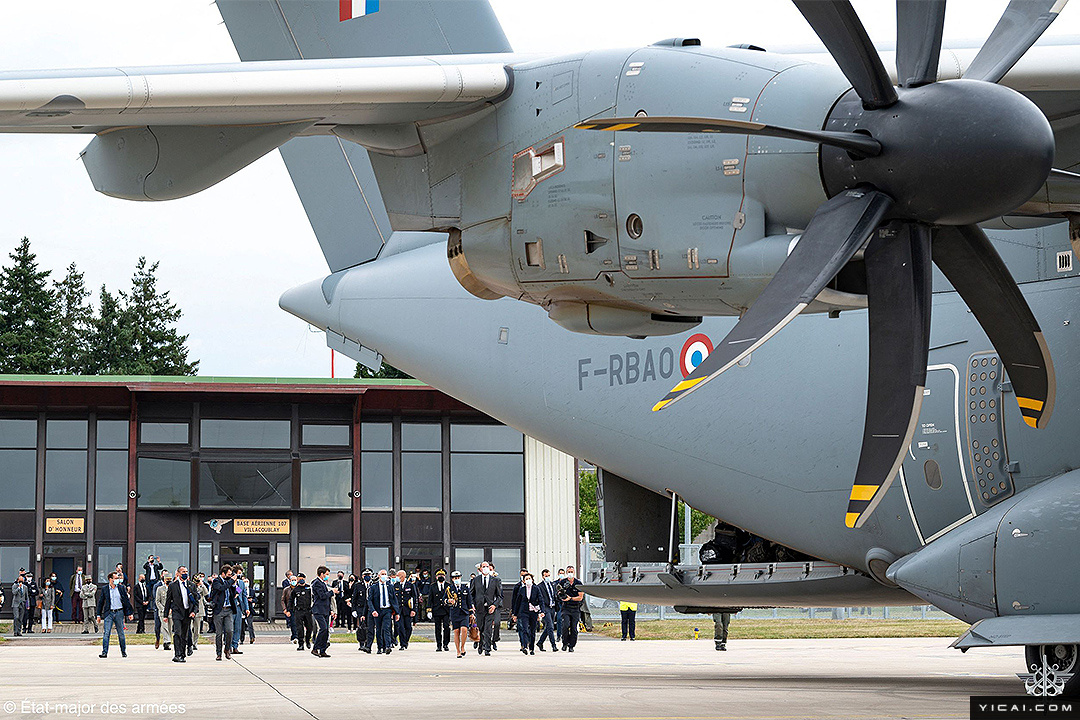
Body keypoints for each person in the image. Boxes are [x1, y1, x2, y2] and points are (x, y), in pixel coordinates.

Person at [163, 566, 198, 663]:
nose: (185, 573)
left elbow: (196, 601)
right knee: (177, 633)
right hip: (177, 612)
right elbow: (168, 601)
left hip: (187, 613)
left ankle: (182, 654)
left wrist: (194, 612)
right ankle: (177, 654)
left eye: (186, 571)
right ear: (178, 573)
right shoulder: (173, 586)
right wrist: (165, 615)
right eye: (183, 572)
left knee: (184, 634)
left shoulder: (191, 585)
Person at [95, 571, 133, 658]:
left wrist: (129, 613)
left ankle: (123, 651)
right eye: (115, 578)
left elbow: (126, 601)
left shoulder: (121, 588)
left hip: (119, 612)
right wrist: (98, 615)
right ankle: (104, 652)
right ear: (110, 579)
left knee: (121, 634)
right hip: (109, 613)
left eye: (118, 578)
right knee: (106, 633)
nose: (117, 580)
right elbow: (101, 602)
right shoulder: (105, 589)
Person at [469, 561, 501, 656]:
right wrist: (472, 604)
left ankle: (487, 648)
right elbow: (471, 594)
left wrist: (494, 605)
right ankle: (480, 644)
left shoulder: (495, 580)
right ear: (480, 568)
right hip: (479, 608)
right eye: (484, 566)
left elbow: (500, 596)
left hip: (490, 608)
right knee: (481, 627)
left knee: (488, 629)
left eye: (487, 566)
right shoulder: (476, 580)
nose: (486, 568)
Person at [210, 565, 238, 661]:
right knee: (219, 633)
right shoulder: (217, 581)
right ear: (223, 573)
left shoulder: (230, 582)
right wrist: (231, 581)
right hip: (219, 610)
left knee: (230, 630)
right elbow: (222, 588)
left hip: (229, 610)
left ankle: (227, 649)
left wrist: (234, 585)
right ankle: (218, 653)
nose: (230, 576)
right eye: (228, 574)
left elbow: (234, 593)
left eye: (231, 574)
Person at [368, 569, 398, 654]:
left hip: (387, 610)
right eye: (382, 574)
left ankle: (387, 646)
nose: (384, 575)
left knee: (386, 628)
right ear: (379, 576)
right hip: (377, 611)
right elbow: (370, 600)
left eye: (385, 574)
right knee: (378, 629)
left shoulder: (390, 586)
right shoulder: (374, 587)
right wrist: (373, 610)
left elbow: (394, 600)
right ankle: (380, 647)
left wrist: (396, 613)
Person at [513, 572, 541, 654]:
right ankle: (525, 646)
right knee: (524, 629)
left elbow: (540, 600)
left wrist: (541, 611)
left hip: (533, 612)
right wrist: (515, 614)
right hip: (523, 612)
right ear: (524, 581)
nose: (528, 580)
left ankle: (531, 648)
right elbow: (517, 602)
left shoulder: (536, 589)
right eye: (526, 579)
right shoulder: (522, 589)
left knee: (532, 630)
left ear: (532, 580)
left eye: (529, 579)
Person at [447, 570, 474, 658]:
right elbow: (444, 599)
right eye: (455, 578)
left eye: (458, 577)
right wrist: (448, 601)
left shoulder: (465, 588)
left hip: (464, 612)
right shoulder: (449, 589)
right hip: (455, 613)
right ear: (452, 579)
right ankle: (458, 650)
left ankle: (463, 647)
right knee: (456, 631)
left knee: (464, 629)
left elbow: (469, 601)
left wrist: (471, 613)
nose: (457, 579)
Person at [558, 565, 584, 652]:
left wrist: (571, 598)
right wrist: (563, 595)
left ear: (574, 572)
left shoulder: (578, 583)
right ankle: (565, 643)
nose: (570, 573)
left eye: (571, 572)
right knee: (565, 626)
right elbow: (559, 595)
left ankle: (571, 645)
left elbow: (580, 597)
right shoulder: (563, 582)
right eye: (568, 572)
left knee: (574, 628)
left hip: (575, 608)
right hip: (566, 608)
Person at [311, 566, 335, 658]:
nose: (327, 576)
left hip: (325, 610)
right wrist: (332, 592)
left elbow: (327, 600)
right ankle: (315, 648)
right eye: (327, 574)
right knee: (323, 628)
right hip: (318, 610)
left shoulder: (323, 583)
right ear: (322, 574)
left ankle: (323, 650)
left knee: (326, 631)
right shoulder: (316, 583)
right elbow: (322, 596)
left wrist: (331, 611)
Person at [288, 573, 314, 651]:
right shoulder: (296, 589)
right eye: (299, 578)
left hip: (308, 611)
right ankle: (301, 644)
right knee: (300, 628)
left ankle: (307, 640)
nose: (301, 580)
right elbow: (291, 600)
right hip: (299, 611)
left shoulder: (309, 588)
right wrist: (290, 610)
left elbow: (314, 598)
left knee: (309, 627)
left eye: (302, 578)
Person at [428, 569, 453, 651]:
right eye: (439, 576)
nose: (441, 577)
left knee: (446, 627)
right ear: (436, 577)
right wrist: (429, 610)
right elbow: (430, 599)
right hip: (437, 610)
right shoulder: (433, 586)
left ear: (445, 577)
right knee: (437, 628)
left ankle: (446, 644)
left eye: (442, 575)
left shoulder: (448, 586)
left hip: (446, 610)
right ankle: (439, 645)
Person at [350, 569, 372, 652]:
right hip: (360, 608)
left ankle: (368, 644)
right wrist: (353, 610)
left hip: (370, 608)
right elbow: (354, 598)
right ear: (363, 576)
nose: (367, 576)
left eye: (369, 575)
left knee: (369, 626)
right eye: (366, 575)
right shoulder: (358, 585)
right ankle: (361, 643)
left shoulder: (373, 584)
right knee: (361, 626)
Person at [536, 569, 559, 652]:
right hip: (545, 608)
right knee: (550, 626)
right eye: (546, 576)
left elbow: (554, 595)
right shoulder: (540, 586)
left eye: (549, 576)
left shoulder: (553, 584)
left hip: (552, 607)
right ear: (543, 577)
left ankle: (540, 642)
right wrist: (540, 610)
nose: (548, 577)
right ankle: (553, 645)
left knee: (549, 627)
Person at [394, 569, 417, 650]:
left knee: (408, 627)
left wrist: (414, 610)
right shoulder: (396, 585)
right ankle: (402, 644)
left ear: (403, 576)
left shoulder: (410, 585)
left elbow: (414, 598)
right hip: (399, 610)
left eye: (398, 576)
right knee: (400, 627)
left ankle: (406, 641)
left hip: (408, 610)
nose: (397, 577)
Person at [231, 570, 249, 654]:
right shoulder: (229, 582)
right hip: (230, 607)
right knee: (230, 628)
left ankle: (235, 646)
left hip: (239, 607)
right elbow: (234, 593)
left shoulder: (241, 583)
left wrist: (246, 608)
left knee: (238, 627)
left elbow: (244, 595)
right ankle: (229, 646)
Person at [153, 571, 172, 651]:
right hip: (162, 612)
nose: (169, 580)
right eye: (167, 579)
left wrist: (171, 608)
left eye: (170, 579)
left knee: (170, 627)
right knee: (164, 627)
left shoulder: (173, 588)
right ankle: (166, 642)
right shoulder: (160, 589)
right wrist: (164, 610)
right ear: (164, 580)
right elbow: (157, 601)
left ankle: (169, 640)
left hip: (171, 612)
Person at [281, 571, 296, 642]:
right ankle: (294, 636)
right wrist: (285, 609)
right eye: (292, 580)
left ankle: (298, 636)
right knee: (293, 623)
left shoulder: (298, 589)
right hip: (291, 608)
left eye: (295, 580)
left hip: (299, 608)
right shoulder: (286, 589)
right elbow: (283, 600)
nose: (294, 582)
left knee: (299, 623)